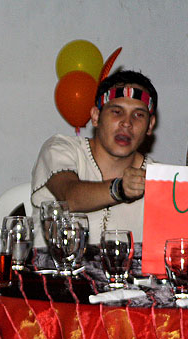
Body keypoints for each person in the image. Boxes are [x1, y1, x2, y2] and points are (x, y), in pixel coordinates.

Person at [31, 70, 158, 246]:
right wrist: (120, 189)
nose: (127, 123)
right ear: (96, 116)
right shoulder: (60, 148)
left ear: (150, 125)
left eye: (138, 115)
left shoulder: (159, 178)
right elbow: (69, 197)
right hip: (54, 265)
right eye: (117, 111)